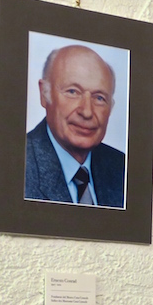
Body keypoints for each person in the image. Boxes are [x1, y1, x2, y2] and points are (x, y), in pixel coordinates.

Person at [25, 45, 125, 208]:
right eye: (73, 92)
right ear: (44, 94)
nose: (87, 112)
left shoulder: (123, 169)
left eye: (99, 98)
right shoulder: (16, 166)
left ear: (110, 108)